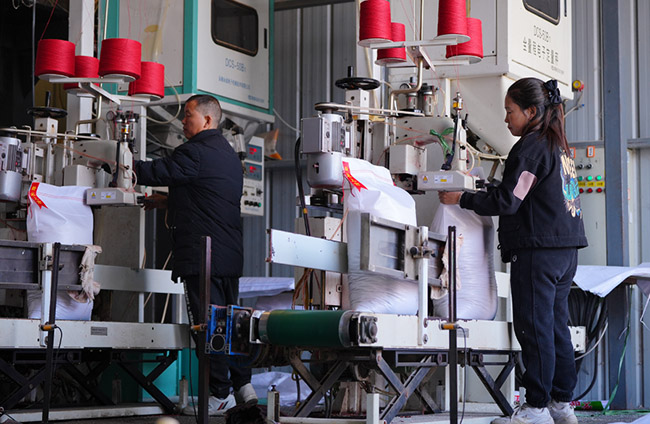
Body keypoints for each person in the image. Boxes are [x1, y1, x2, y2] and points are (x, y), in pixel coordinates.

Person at [439, 78, 587, 424]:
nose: (506, 119)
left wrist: (462, 198)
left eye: (510, 111)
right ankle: (561, 404)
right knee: (556, 328)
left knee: (534, 329)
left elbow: (508, 201)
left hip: (538, 252)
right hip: (565, 250)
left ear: (531, 111)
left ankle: (535, 407)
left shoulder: (530, 148)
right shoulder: (558, 145)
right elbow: (525, 192)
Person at [134, 94, 257, 416]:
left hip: (205, 257)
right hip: (228, 256)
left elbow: (157, 172)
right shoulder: (228, 155)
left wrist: (119, 163)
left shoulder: (194, 151)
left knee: (208, 326)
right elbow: (206, 194)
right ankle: (243, 387)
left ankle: (218, 395)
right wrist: (169, 202)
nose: (182, 121)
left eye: (188, 115)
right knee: (231, 322)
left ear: (207, 120)